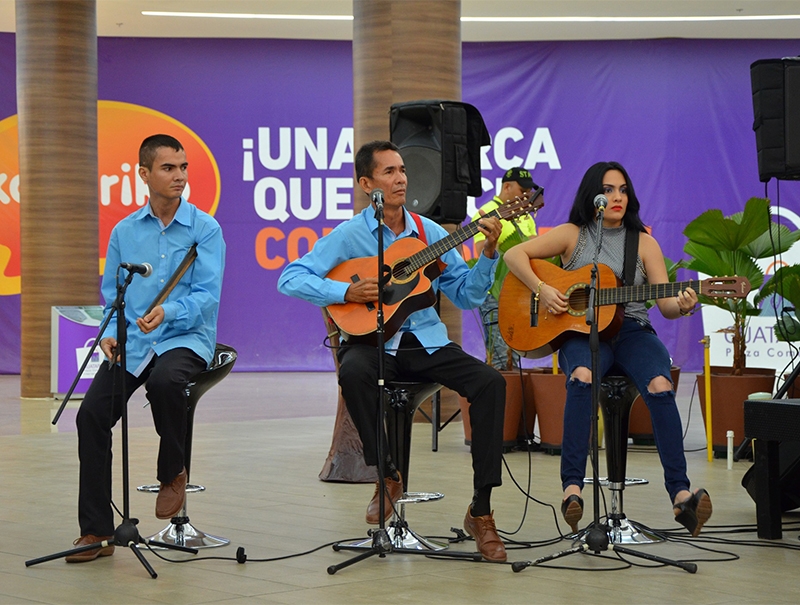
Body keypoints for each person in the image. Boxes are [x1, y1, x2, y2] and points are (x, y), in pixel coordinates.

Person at [278, 140, 509, 562]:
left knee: (491, 382)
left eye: (402, 170)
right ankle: (385, 475)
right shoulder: (350, 234)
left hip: (426, 342)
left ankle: (482, 510)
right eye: (389, 172)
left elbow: (466, 294)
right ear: (368, 184)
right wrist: (345, 289)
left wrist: (488, 255)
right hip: (373, 343)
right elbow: (290, 277)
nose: (401, 178)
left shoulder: (430, 233)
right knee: (352, 372)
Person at [504, 161, 712, 537]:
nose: (617, 197)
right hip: (578, 333)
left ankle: (681, 494)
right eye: (609, 190)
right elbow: (513, 256)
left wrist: (683, 304)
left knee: (662, 386)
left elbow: (664, 305)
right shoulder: (572, 234)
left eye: (623, 190)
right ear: (593, 196)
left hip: (632, 329)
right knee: (581, 377)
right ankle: (572, 489)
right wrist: (542, 289)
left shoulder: (644, 242)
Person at [67, 134, 226, 562]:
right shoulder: (124, 231)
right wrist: (109, 331)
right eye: (168, 168)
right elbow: (110, 294)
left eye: (183, 167)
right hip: (134, 341)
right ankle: (96, 532)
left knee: (166, 380)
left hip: (185, 337)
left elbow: (208, 296)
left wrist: (169, 311)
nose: (179, 176)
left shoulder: (205, 228)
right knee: (90, 417)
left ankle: (171, 471)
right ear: (144, 174)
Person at [471, 167, 539, 370]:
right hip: (496, 288)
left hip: (520, 288)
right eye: (522, 190)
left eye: (529, 191)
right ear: (507, 186)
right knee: (499, 351)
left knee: (514, 348)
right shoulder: (487, 212)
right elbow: (480, 253)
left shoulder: (525, 215)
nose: (526, 195)